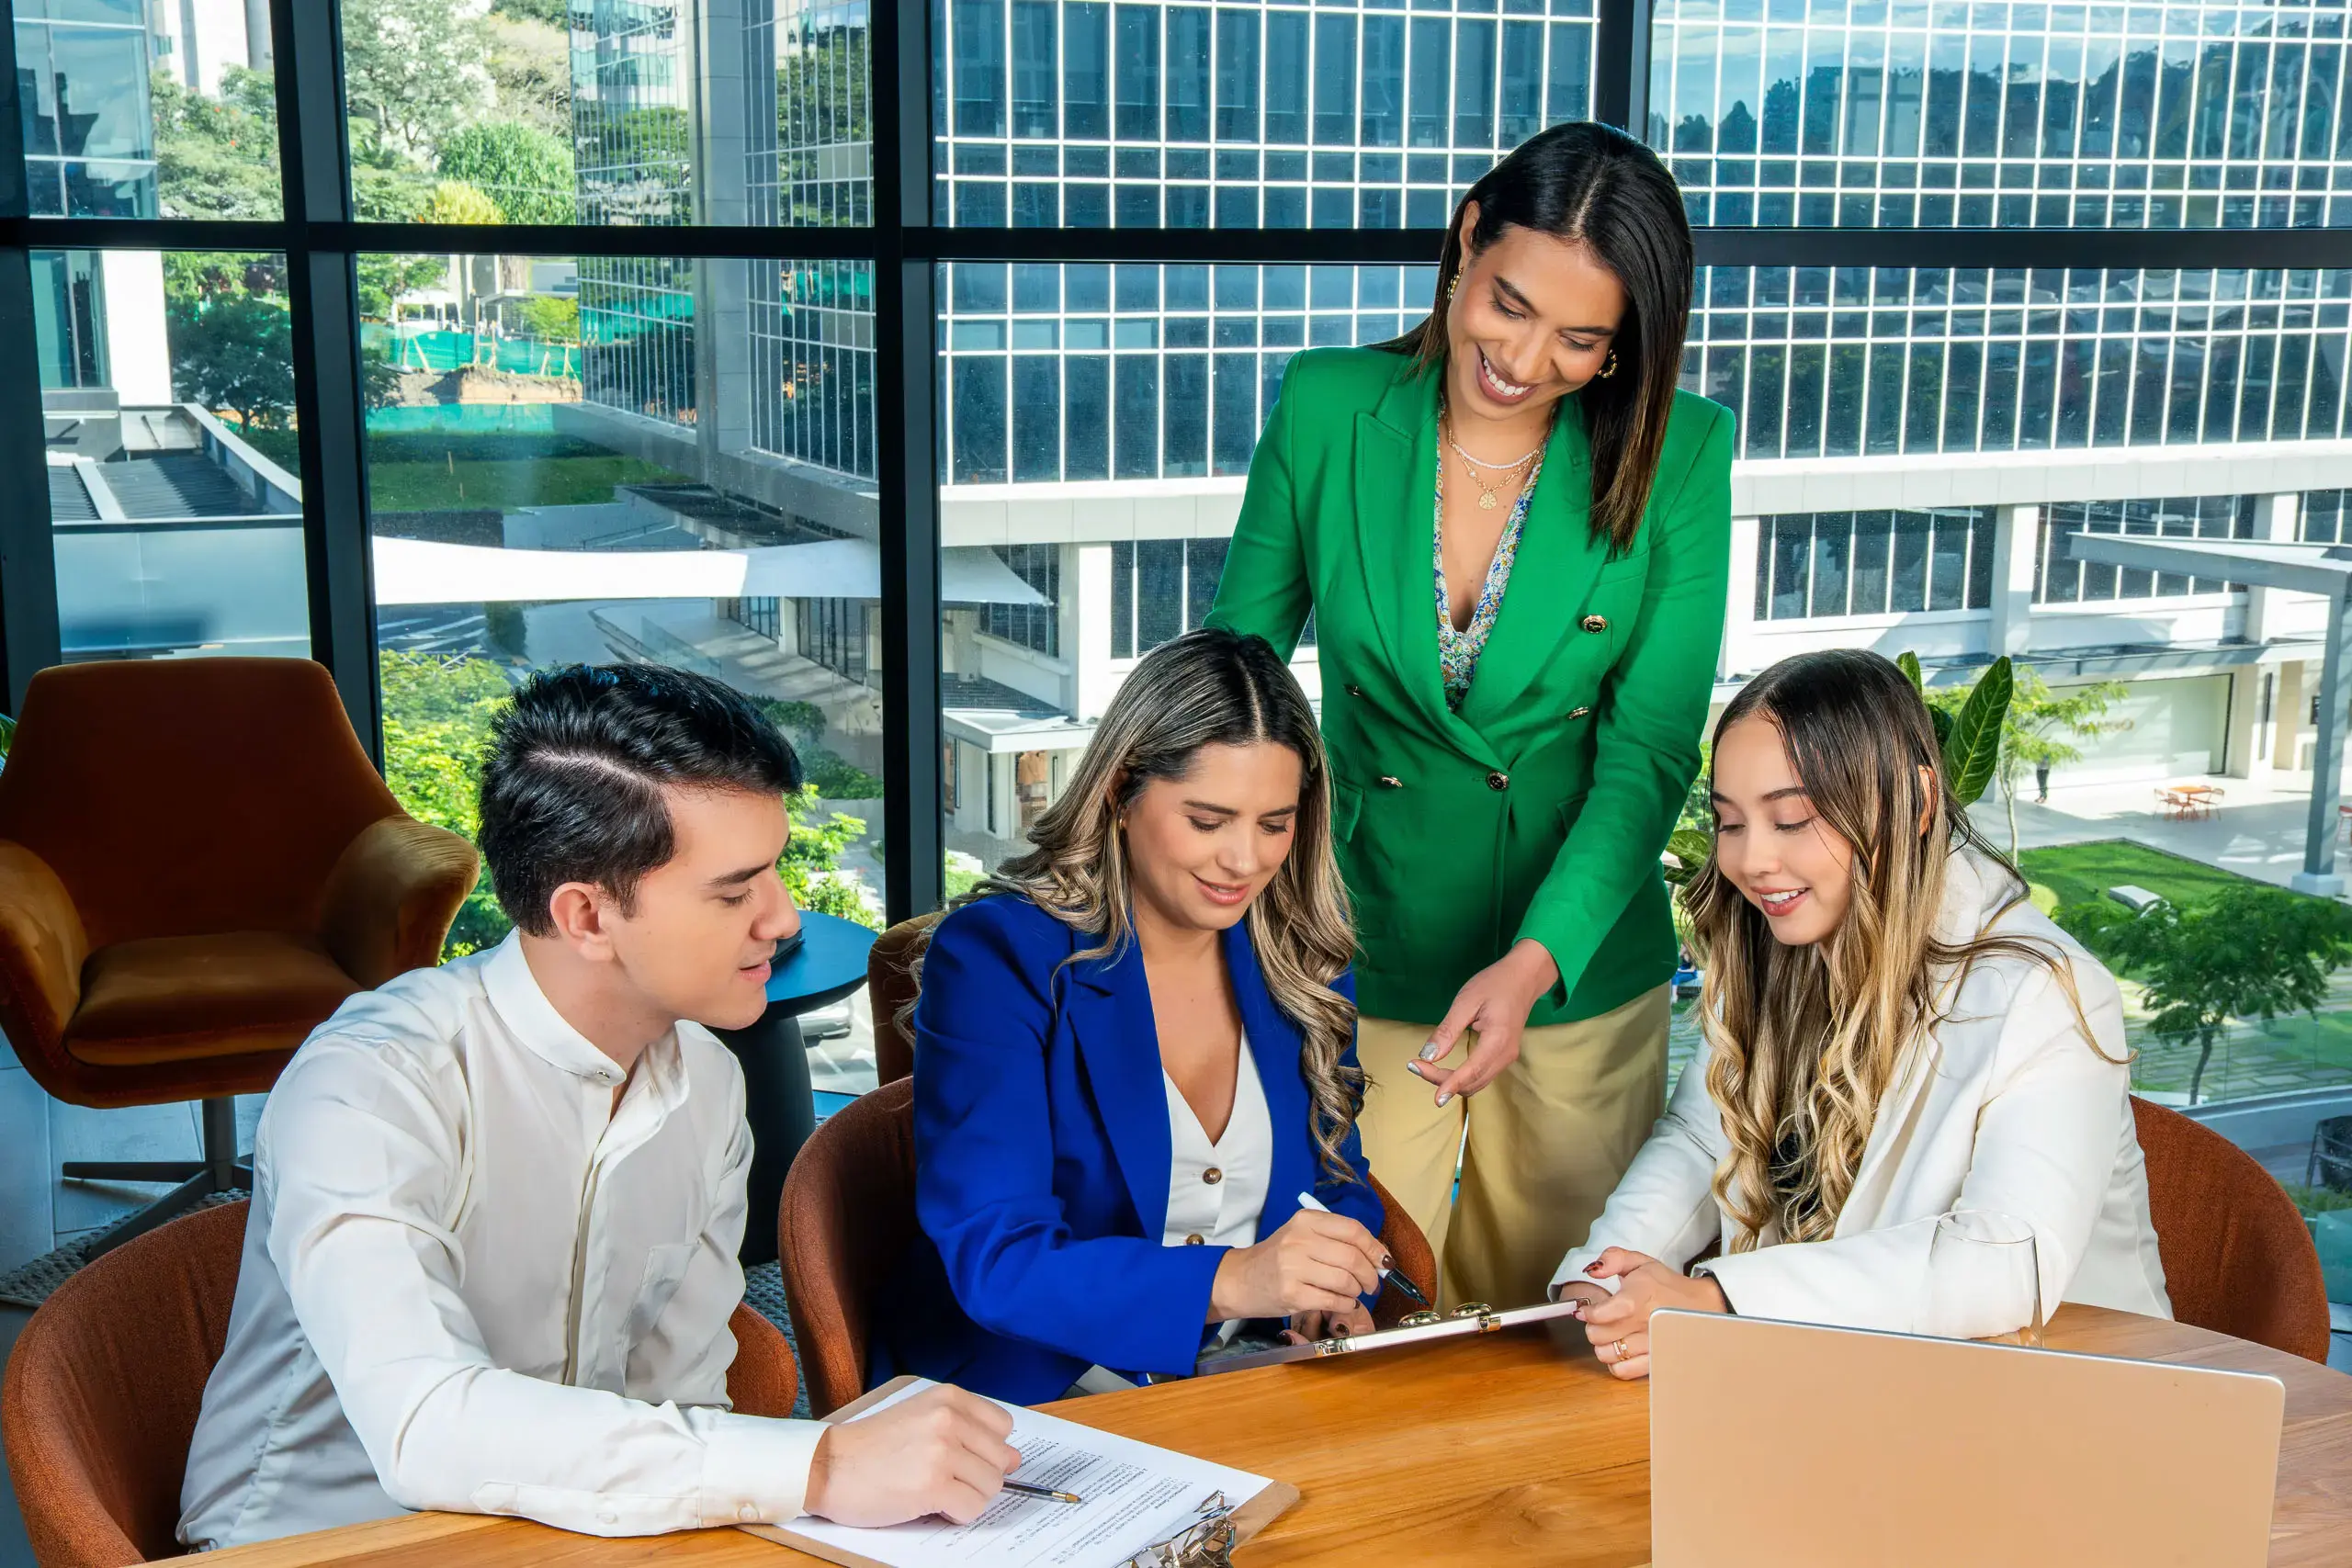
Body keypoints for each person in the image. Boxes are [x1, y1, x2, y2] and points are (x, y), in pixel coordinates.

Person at [179, 666, 1019, 1551]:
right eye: (735, 890)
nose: (781, 917)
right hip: (318, 1541)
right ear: (585, 915)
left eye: (774, 872)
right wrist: (823, 1465)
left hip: (568, 1530)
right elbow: (425, 1420)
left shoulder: (706, 1077)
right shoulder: (372, 1081)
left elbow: (685, 1394)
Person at [1206, 121, 1734, 1310]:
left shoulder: (1682, 453)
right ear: (1464, 243)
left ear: (1621, 349)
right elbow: (1229, 683)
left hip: (1576, 960)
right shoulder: (1328, 407)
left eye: (1580, 338)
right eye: (1507, 303)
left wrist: (1534, 961)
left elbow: (1646, 751)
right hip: (1363, 941)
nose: (1525, 356)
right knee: (1350, 1303)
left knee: (1556, 1322)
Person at [1553, 649, 2171, 1379]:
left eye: (1791, 819)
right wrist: (1607, 1273)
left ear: (1915, 802)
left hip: (2067, 1394)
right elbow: (1700, 1136)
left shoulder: (2047, 993)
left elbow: (2002, 1261)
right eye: (1729, 822)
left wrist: (1717, 1298)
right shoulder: (1772, 945)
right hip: (1848, 1383)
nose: (1752, 861)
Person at [876, 629, 1395, 1406]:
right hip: (1035, 1388)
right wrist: (1231, 1280)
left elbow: (1335, 1176)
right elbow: (1000, 1257)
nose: (1245, 860)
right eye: (1209, 819)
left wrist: (1333, 1282)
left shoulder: (1302, 953)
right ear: (1120, 792)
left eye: (1274, 823)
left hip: (1254, 1376)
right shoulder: (997, 956)